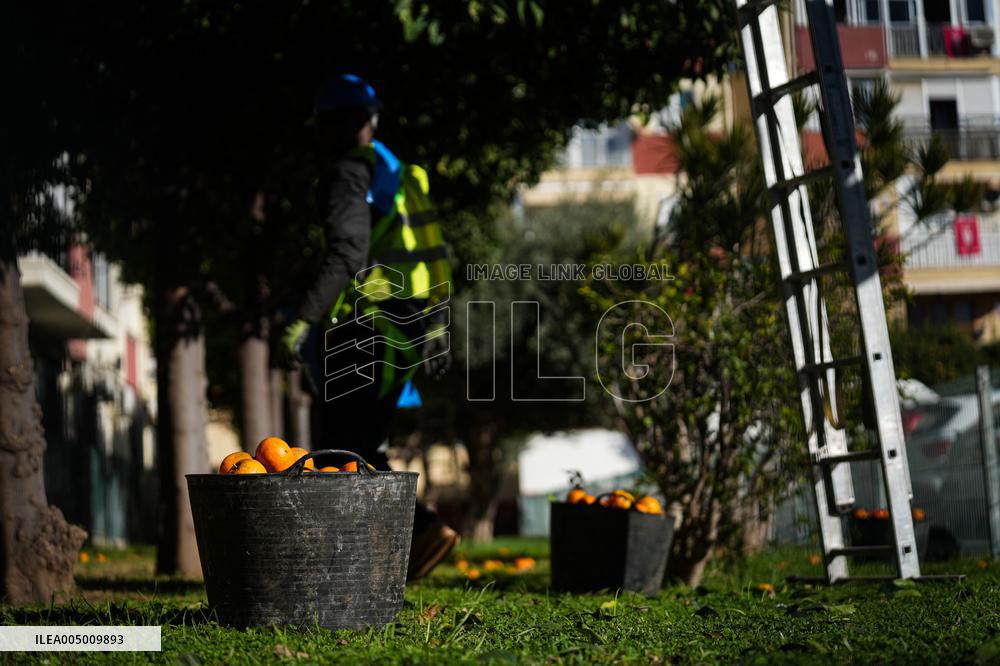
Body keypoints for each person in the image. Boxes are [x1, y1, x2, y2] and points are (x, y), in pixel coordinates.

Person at [280, 73, 457, 580]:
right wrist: (437, 324)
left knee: (342, 448)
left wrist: (303, 317)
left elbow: (347, 251)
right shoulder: (401, 173)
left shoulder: (349, 174)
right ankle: (403, 545)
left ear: (333, 125)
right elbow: (433, 254)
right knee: (363, 443)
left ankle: (412, 534)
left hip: (370, 322)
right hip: (410, 323)